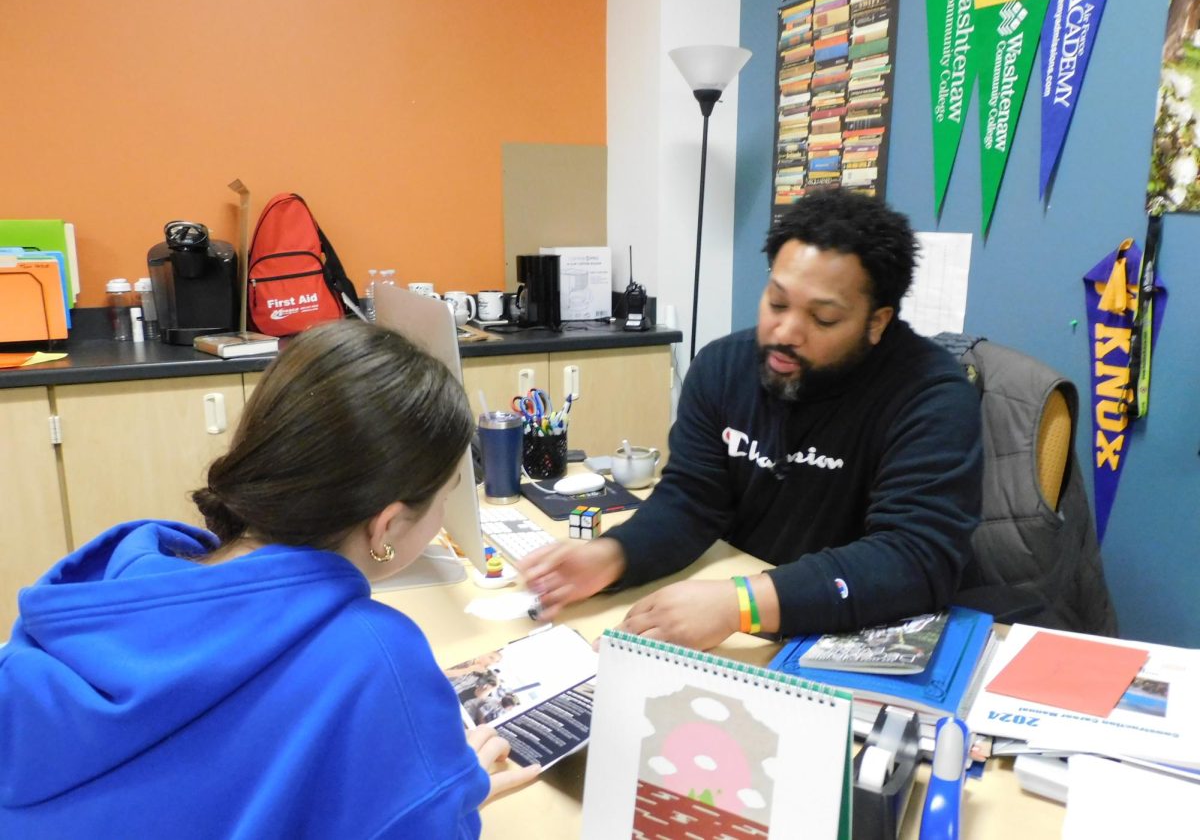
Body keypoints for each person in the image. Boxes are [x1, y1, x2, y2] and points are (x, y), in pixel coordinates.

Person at [0, 320, 538, 838]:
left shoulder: (116, 582)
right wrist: (440, 795)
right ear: (388, 525)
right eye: (445, 497)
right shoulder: (374, 658)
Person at [522, 188, 983, 650]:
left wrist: (739, 604)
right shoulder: (724, 368)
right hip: (749, 616)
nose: (785, 332)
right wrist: (612, 556)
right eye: (777, 303)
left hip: (851, 634)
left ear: (877, 322)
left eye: (822, 319)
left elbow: (913, 561)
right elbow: (692, 501)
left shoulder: (930, 396)